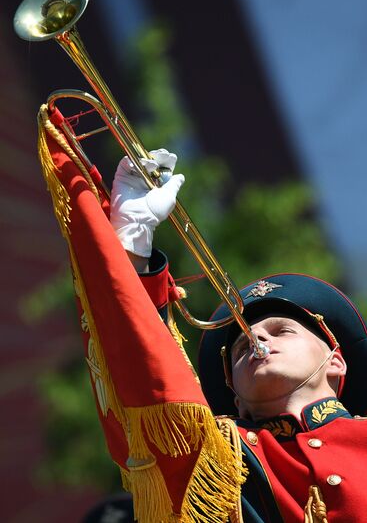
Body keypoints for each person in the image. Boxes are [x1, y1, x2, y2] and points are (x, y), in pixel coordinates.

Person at [37, 117, 367, 523]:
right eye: (242, 348)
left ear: (335, 359)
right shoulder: (217, 460)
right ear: (235, 393)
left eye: (281, 329)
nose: (257, 340)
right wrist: (131, 250)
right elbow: (145, 381)